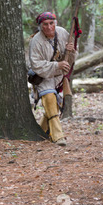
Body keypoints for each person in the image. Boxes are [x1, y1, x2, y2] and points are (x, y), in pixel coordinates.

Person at [28, 12, 77, 146]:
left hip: (59, 75)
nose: (49, 27)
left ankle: (41, 133)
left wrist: (70, 51)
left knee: (54, 105)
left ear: (55, 23)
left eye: (51, 23)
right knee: (49, 99)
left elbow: (70, 60)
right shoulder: (36, 41)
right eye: (45, 24)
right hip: (42, 76)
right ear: (40, 26)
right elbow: (36, 65)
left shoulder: (62, 33)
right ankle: (58, 136)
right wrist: (56, 65)